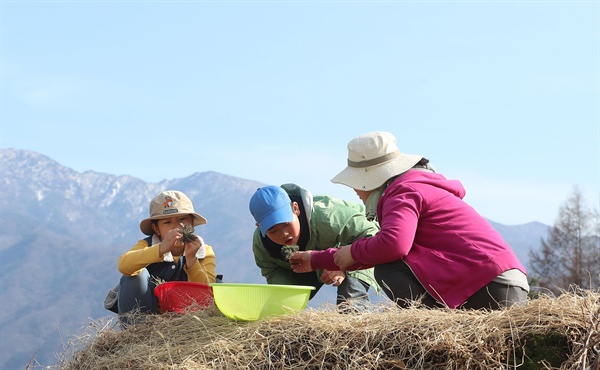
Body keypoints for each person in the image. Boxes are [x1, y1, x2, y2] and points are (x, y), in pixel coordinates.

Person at [289, 131, 529, 310]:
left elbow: (393, 245)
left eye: (356, 186)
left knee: (388, 267)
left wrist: (350, 252)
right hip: (502, 281)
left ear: (369, 180)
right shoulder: (415, 187)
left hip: (490, 285)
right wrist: (322, 259)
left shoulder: (402, 191)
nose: (357, 193)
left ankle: (431, 327)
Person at [249, 183, 380, 312]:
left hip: (358, 243)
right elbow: (273, 271)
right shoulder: (261, 245)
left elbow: (372, 238)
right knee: (282, 309)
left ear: (296, 208)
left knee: (350, 302)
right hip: (309, 264)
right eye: (273, 231)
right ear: (259, 227)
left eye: (286, 224)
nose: (283, 234)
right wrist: (286, 301)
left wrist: (343, 265)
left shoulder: (328, 216)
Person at [109, 190, 217, 321]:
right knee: (136, 275)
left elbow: (206, 294)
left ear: (192, 223)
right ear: (156, 229)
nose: (177, 226)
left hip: (187, 321)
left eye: (182, 219)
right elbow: (124, 265)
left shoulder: (203, 251)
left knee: (217, 285)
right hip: (149, 317)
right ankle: (137, 329)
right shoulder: (147, 245)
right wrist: (160, 249)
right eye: (167, 222)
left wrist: (192, 260)